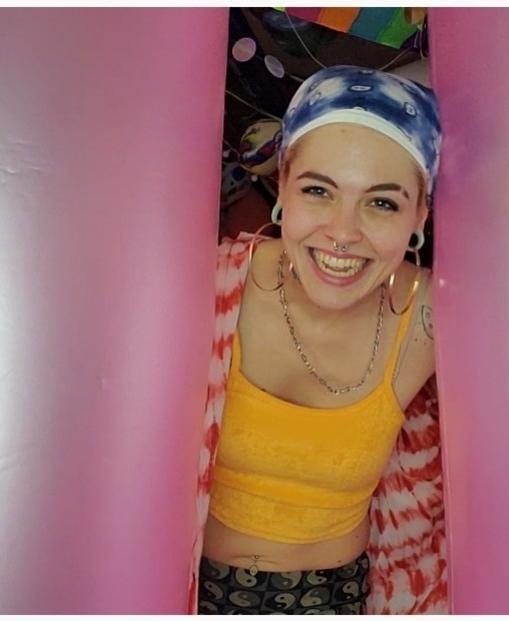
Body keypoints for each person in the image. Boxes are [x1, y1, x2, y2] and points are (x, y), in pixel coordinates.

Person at [191, 65, 447, 615]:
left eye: (382, 202)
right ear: (283, 183)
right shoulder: (205, 286)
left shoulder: (436, 316)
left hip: (333, 599)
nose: (343, 232)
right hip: (185, 592)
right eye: (317, 190)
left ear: (420, 214)